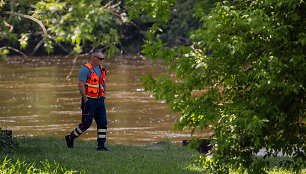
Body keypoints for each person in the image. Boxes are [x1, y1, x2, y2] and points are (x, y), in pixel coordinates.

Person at [65, 49, 110, 151]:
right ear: (94, 58)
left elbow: (103, 83)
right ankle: (70, 137)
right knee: (86, 124)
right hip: (89, 101)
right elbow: (80, 86)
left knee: (103, 123)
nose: (102, 61)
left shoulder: (101, 69)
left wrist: (104, 96)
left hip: (100, 101)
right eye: (100, 59)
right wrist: (86, 100)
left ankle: (101, 146)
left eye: (103, 59)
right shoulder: (85, 70)